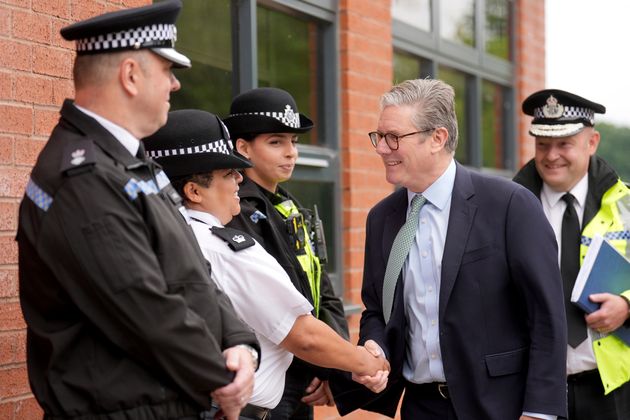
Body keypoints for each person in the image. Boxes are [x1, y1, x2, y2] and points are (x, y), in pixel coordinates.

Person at [15, 2, 259, 419]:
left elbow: (191, 271)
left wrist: (237, 339)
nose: (175, 86)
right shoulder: (84, 178)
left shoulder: (129, 160)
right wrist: (221, 377)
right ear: (130, 75)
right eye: (167, 70)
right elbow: (145, 308)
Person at [331, 79, 568, 420]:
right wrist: (374, 345)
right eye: (379, 137)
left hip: (502, 407)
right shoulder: (381, 218)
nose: (382, 148)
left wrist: (539, 412)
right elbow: (376, 311)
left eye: (394, 137)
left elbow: (546, 316)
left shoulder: (509, 205)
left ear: (438, 138)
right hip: (421, 407)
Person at [143, 109, 390, 420]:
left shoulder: (152, 239)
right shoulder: (224, 248)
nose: (238, 180)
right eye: (227, 174)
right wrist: (366, 363)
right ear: (194, 191)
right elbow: (303, 335)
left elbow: (318, 285)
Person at [222, 87, 352, 419]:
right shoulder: (236, 209)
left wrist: (330, 369)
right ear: (242, 147)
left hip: (303, 376)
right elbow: (272, 304)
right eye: (276, 142)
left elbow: (321, 289)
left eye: (294, 142)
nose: (291, 152)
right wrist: (335, 364)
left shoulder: (287, 204)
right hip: (266, 381)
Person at [514, 89, 630, 420]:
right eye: (542, 145)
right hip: (534, 391)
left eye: (564, 144)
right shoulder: (510, 209)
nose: (551, 156)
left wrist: (627, 305)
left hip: (613, 391)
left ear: (592, 142)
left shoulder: (626, 205)